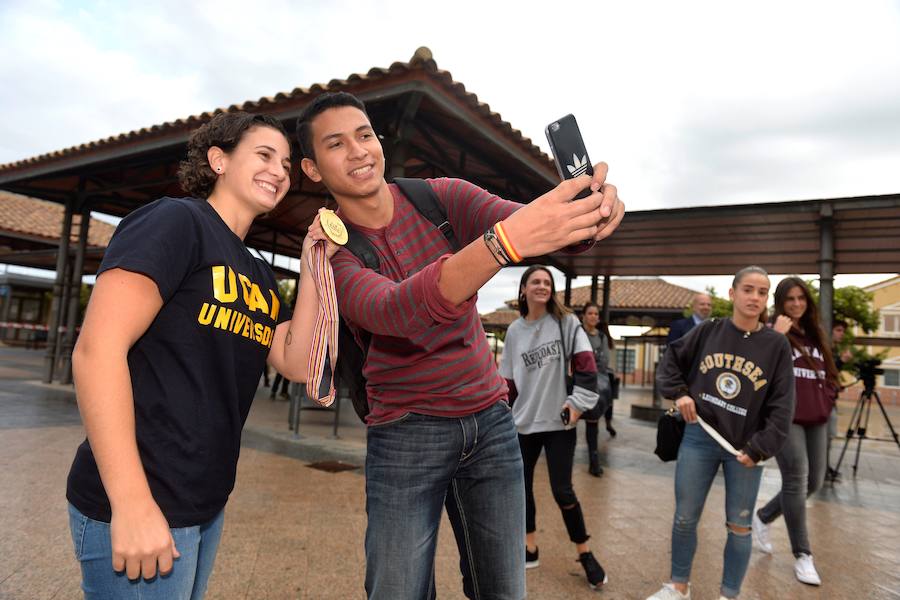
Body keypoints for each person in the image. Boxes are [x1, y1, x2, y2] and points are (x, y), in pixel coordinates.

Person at [295, 91, 624, 599]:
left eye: (364, 135)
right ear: (313, 169)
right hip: (405, 431)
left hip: (491, 423)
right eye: (336, 144)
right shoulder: (332, 252)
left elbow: (534, 228)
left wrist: (586, 219)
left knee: (504, 590)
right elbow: (393, 312)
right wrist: (501, 244)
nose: (358, 151)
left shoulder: (438, 197)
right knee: (397, 591)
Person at [66, 112, 338, 599]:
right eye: (263, 155)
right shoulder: (176, 221)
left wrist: (314, 264)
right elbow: (96, 351)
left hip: (203, 501)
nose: (280, 171)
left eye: (286, 164)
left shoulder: (258, 275)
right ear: (218, 160)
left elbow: (296, 363)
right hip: (140, 498)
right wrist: (130, 502)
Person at [647, 266, 795, 600]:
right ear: (732, 294)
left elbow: (782, 404)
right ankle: (678, 586)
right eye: (748, 289)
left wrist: (760, 447)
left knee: (739, 527)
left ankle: (729, 594)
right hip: (700, 437)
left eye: (762, 291)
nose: (755, 297)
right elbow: (671, 360)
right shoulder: (709, 332)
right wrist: (680, 392)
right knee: (685, 518)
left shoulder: (775, 345)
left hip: (745, 449)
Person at [500, 267, 608, 588]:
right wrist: (502, 414)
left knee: (563, 490)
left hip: (559, 423)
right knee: (522, 490)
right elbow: (508, 383)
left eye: (547, 283)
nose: (542, 286)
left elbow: (587, 369)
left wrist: (576, 405)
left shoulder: (567, 323)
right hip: (522, 424)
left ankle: (585, 553)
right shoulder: (515, 331)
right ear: (523, 290)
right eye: (536, 281)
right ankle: (530, 548)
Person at [753, 277, 841, 586]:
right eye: (789, 299)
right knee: (796, 478)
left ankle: (763, 516)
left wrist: (829, 397)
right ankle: (803, 555)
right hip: (784, 417)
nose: (796, 304)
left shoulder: (815, 334)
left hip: (815, 414)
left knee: (814, 481)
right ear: (780, 302)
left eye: (801, 298)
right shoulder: (772, 332)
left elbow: (829, 373)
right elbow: (758, 369)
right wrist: (776, 336)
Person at [580, 301, 615, 476]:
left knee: (592, 421)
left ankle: (594, 460)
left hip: (594, 382)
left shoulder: (602, 337)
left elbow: (604, 362)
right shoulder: (577, 334)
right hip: (577, 381)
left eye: (596, 314)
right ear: (583, 316)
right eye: (590, 313)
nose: (593, 316)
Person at [826, 319, 851, 479]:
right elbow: (828, 371)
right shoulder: (826, 348)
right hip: (825, 402)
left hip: (830, 398)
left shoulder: (833, 349)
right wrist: (841, 361)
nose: (842, 334)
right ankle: (822, 468)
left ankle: (824, 467)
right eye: (839, 330)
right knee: (826, 436)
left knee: (828, 437)